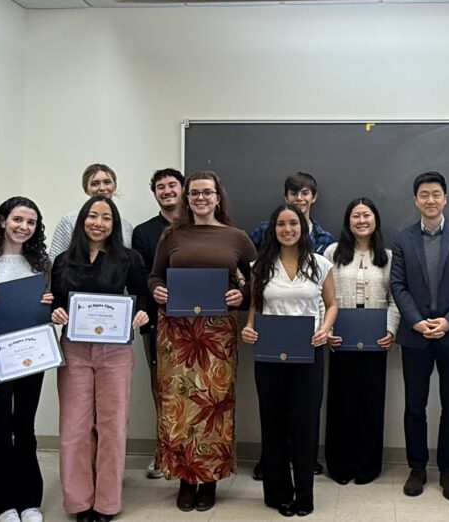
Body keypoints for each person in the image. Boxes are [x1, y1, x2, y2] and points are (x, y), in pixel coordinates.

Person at [148, 171, 257, 511]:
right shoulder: (172, 236)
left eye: (207, 192)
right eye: (194, 193)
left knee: (214, 405)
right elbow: (154, 276)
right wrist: (156, 290)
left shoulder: (237, 238)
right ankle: (184, 478)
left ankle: (208, 480)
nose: (200, 198)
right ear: (187, 197)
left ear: (218, 197)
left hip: (217, 334)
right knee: (178, 407)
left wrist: (243, 294)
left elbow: (259, 280)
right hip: (176, 334)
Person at [49, 196, 150, 522]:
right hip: (75, 349)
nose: (98, 223)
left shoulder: (129, 259)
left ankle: (106, 503)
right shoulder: (64, 260)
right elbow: (56, 302)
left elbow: (143, 299)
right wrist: (56, 310)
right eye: (92, 216)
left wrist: (142, 314)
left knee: (112, 427)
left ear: (114, 224)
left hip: (115, 352)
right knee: (74, 428)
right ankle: (79, 503)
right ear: (82, 220)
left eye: (106, 218)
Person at [241, 204, 338, 517]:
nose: (288, 229)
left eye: (293, 223)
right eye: (281, 224)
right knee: (273, 422)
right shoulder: (260, 265)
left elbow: (332, 303)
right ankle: (278, 492)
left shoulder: (320, 264)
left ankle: (304, 496)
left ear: (302, 227)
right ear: (274, 229)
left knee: (305, 422)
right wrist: (249, 327)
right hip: (269, 354)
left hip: (308, 352)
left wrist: (325, 329)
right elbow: (255, 306)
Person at [390, 171, 449, 502]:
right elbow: (397, 285)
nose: (430, 200)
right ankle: (417, 468)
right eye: (424, 195)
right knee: (415, 405)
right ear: (416, 200)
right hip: (415, 336)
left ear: (446, 198)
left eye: (436, 194)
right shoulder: (402, 239)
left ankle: (448, 470)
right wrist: (416, 321)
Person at [0, 196, 53, 522]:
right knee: (1, 427)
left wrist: (51, 304)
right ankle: (2, 505)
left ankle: (29, 500)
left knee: (26, 426)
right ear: (3, 220)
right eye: (18, 220)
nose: (24, 227)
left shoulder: (42, 266)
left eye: (31, 222)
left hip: (32, 356)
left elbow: (48, 311)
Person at [323, 198, 399, 486]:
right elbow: (323, 297)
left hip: (375, 341)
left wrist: (391, 331)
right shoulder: (332, 253)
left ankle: (368, 465)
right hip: (340, 338)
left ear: (375, 220)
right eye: (356, 215)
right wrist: (326, 330)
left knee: (371, 403)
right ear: (348, 221)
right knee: (342, 403)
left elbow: (395, 299)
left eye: (367, 215)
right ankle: (340, 465)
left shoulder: (388, 256)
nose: (362, 220)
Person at [131, 167, 185, 480]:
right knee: (161, 388)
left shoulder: (198, 227)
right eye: (160, 187)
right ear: (155, 194)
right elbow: (141, 278)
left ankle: (189, 452)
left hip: (197, 323)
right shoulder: (144, 231)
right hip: (156, 320)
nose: (166, 191)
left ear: (183, 189)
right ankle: (162, 452)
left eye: (172, 185)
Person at [48, 163, 134, 260]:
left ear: (114, 186)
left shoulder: (126, 227)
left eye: (107, 182)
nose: (102, 188)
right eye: (95, 184)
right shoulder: (69, 221)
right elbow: (54, 261)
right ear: (86, 189)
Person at [248, 171, 336, 254]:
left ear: (314, 197)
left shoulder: (325, 239)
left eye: (305, 193)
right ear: (286, 197)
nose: (299, 198)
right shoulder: (264, 230)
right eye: (294, 193)